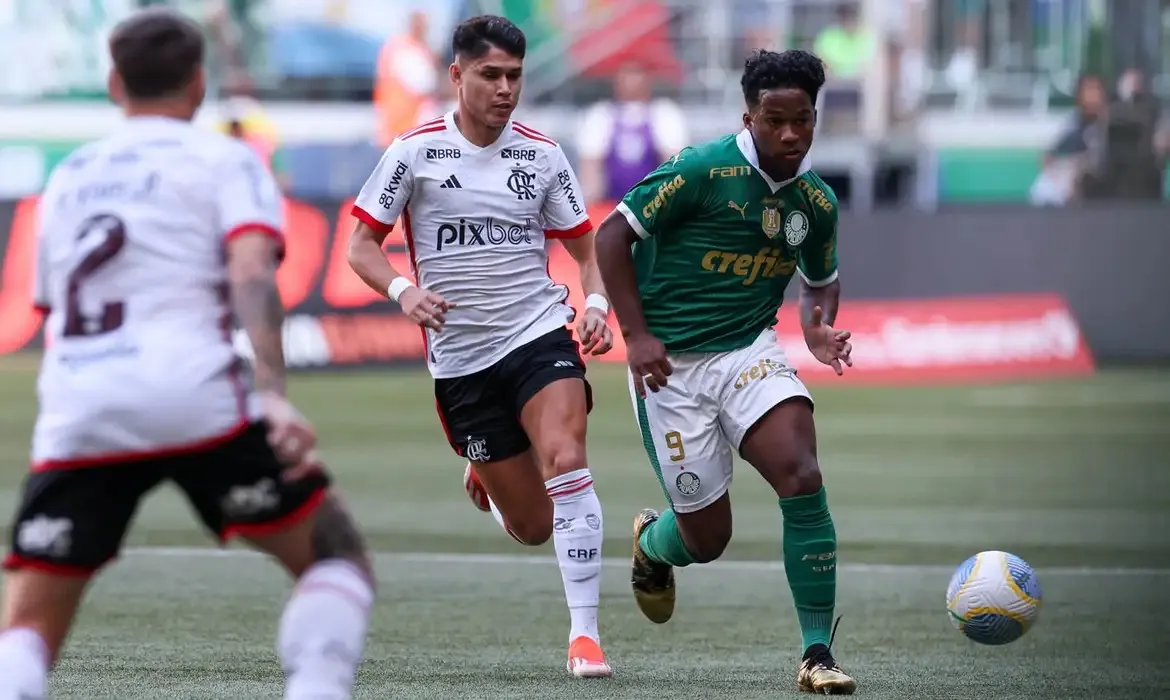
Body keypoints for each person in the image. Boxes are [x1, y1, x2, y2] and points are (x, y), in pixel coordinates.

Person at [0, 9, 375, 700]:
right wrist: (270, 394)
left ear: (114, 81)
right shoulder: (225, 160)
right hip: (194, 398)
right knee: (337, 558)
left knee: (25, 626)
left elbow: (50, 310)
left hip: (81, 409)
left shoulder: (70, 177)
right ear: (198, 83)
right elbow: (253, 274)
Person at [347, 15, 615, 679]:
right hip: (462, 361)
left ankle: (586, 637)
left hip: (536, 332)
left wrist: (598, 305)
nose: (505, 88)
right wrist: (404, 291)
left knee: (566, 454)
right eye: (491, 75)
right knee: (534, 526)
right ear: (456, 76)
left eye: (515, 76)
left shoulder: (542, 156)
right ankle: (491, 479)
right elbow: (359, 246)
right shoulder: (413, 152)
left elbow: (586, 252)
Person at [593, 49, 857, 695]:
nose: (791, 134)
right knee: (708, 540)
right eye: (776, 121)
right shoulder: (702, 170)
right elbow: (610, 238)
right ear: (750, 116)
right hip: (670, 369)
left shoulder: (815, 202)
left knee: (803, 473)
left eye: (803, 121)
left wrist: (818, 327)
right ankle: (655, 545)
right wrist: (638, 334)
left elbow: (821, 282)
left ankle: (816, 654)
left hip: (747, 352)